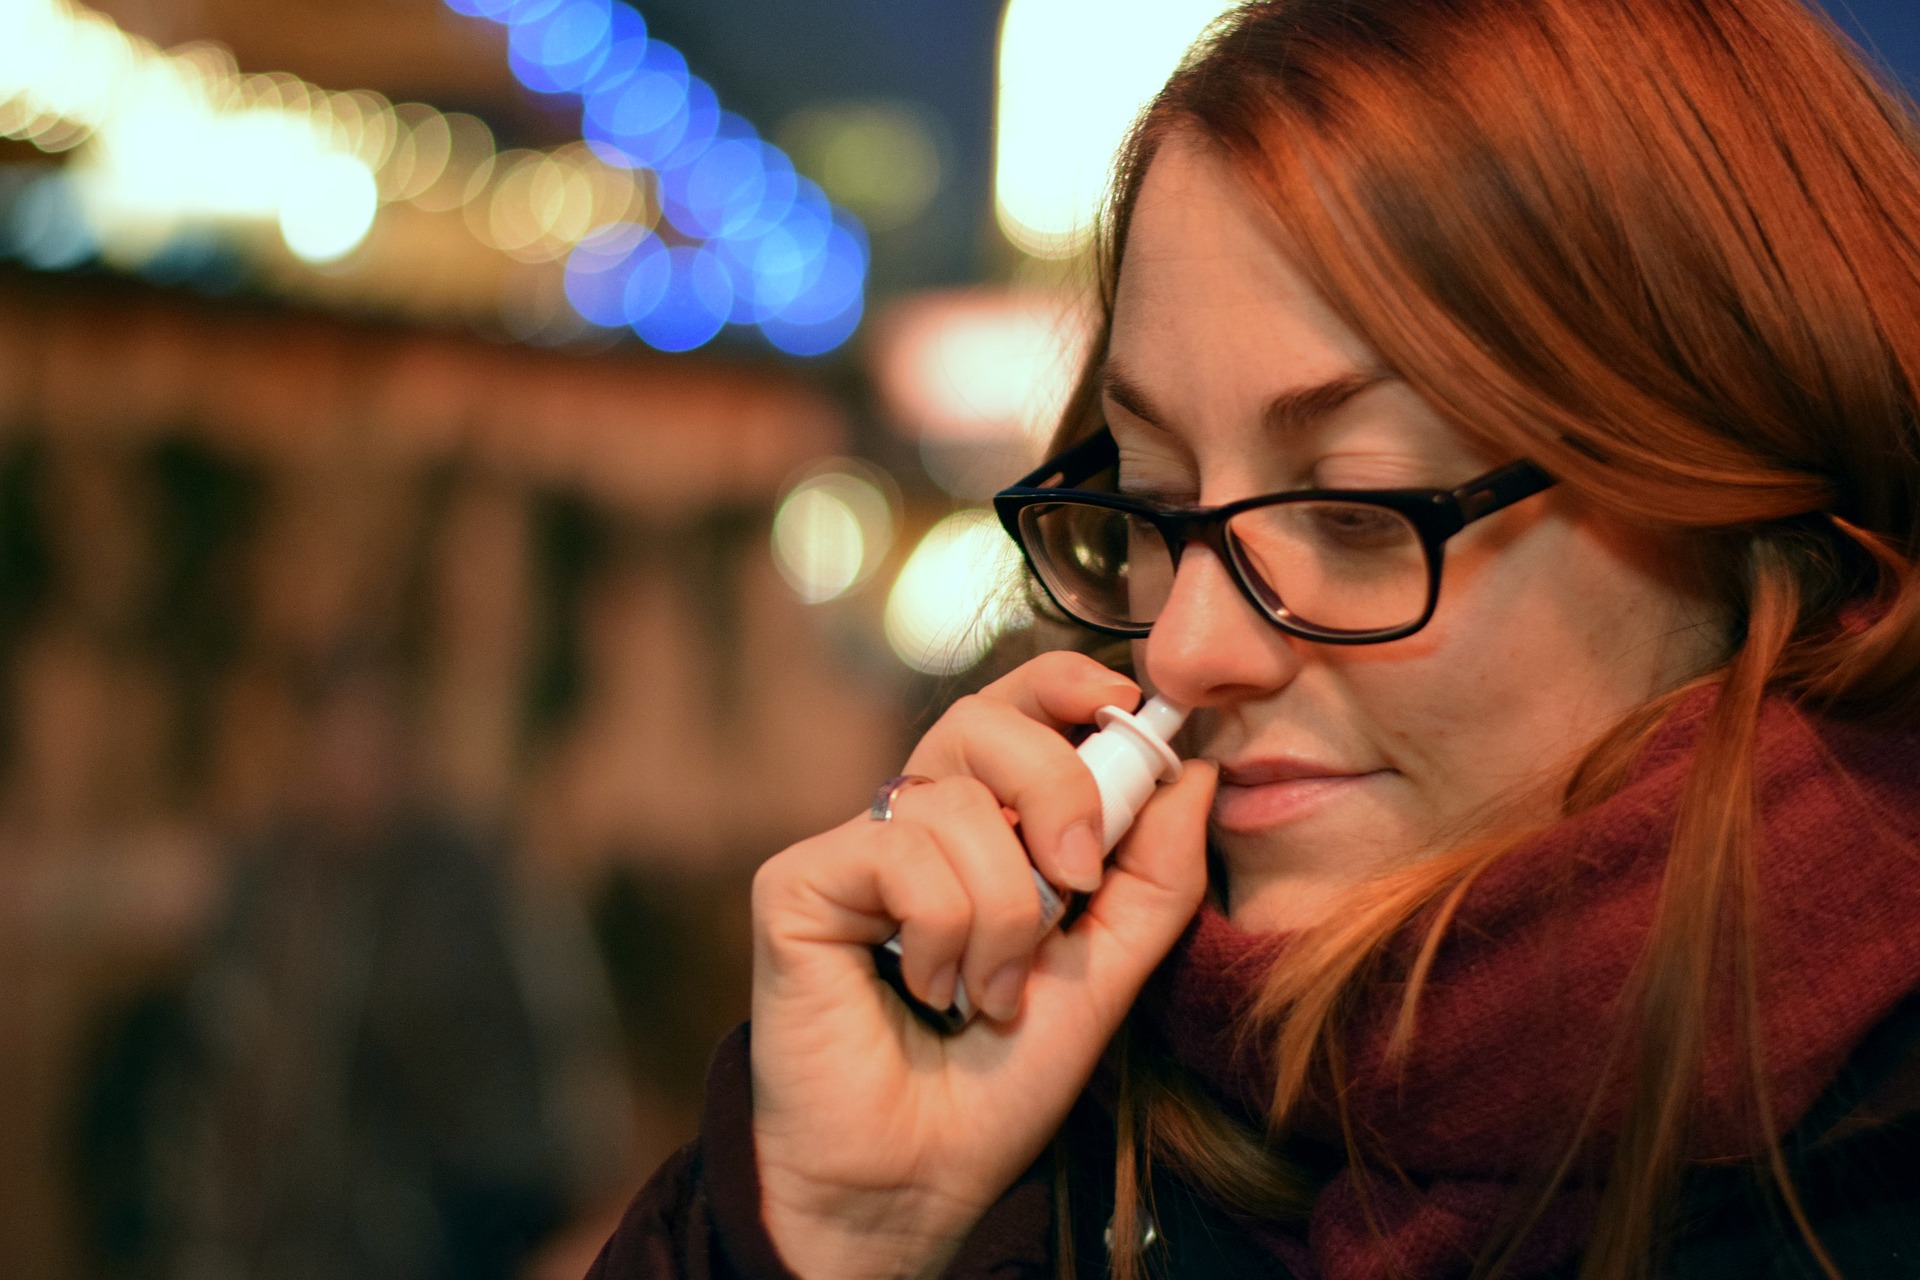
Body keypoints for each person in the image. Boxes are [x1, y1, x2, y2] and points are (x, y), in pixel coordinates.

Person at [590, 0, 1920, 1275]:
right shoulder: (1048, 1117)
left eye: (1351, 507)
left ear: (1755, 508)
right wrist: (834, 1237)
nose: (1183, 653)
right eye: (1157, 509)